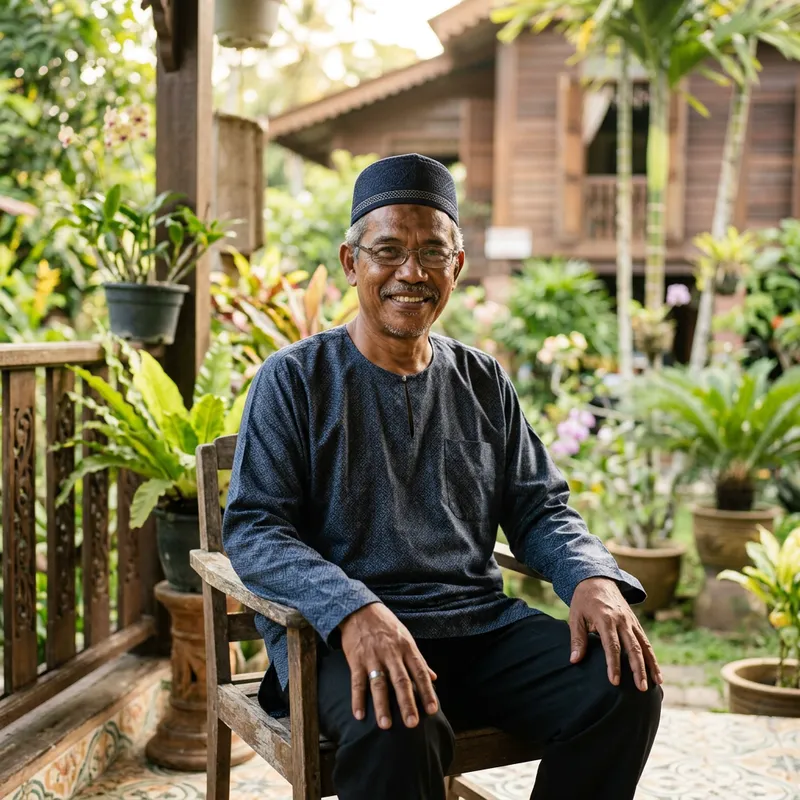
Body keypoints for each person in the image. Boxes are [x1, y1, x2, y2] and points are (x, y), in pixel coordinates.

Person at [223, 153, 663, 800]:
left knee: (625, 683)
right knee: (400, 721)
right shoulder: (293, 380)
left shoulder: (482, 381)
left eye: (433, 252)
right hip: (341, 640)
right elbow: (256, 528)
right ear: (352, 263)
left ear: (457, 266)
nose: (411, 272)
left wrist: (591, 576)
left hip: (476, 627)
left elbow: (539, 507)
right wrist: (354, 609)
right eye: (389, 251)